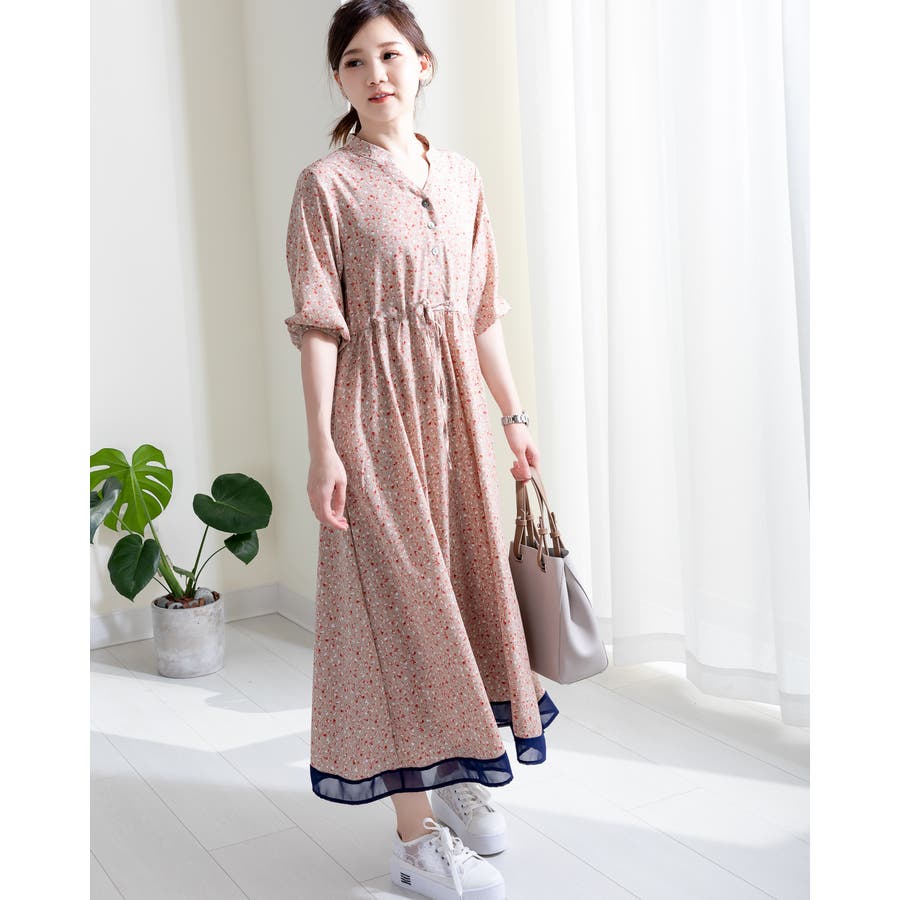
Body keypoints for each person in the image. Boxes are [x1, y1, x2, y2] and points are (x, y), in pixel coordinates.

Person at [284, 2, 559, 897]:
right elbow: (319, 327)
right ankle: (414, 839)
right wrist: (323, 446)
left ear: (424, 63)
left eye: (392, 54)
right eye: (355, 62)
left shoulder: (463, 178)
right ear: (339, 79)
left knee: (463, 600)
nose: (377, 75)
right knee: (402, 615)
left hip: (454, 424)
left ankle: (458, 767)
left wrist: (514, 418)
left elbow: (481, 314)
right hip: (373, 422)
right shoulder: (326, 185)